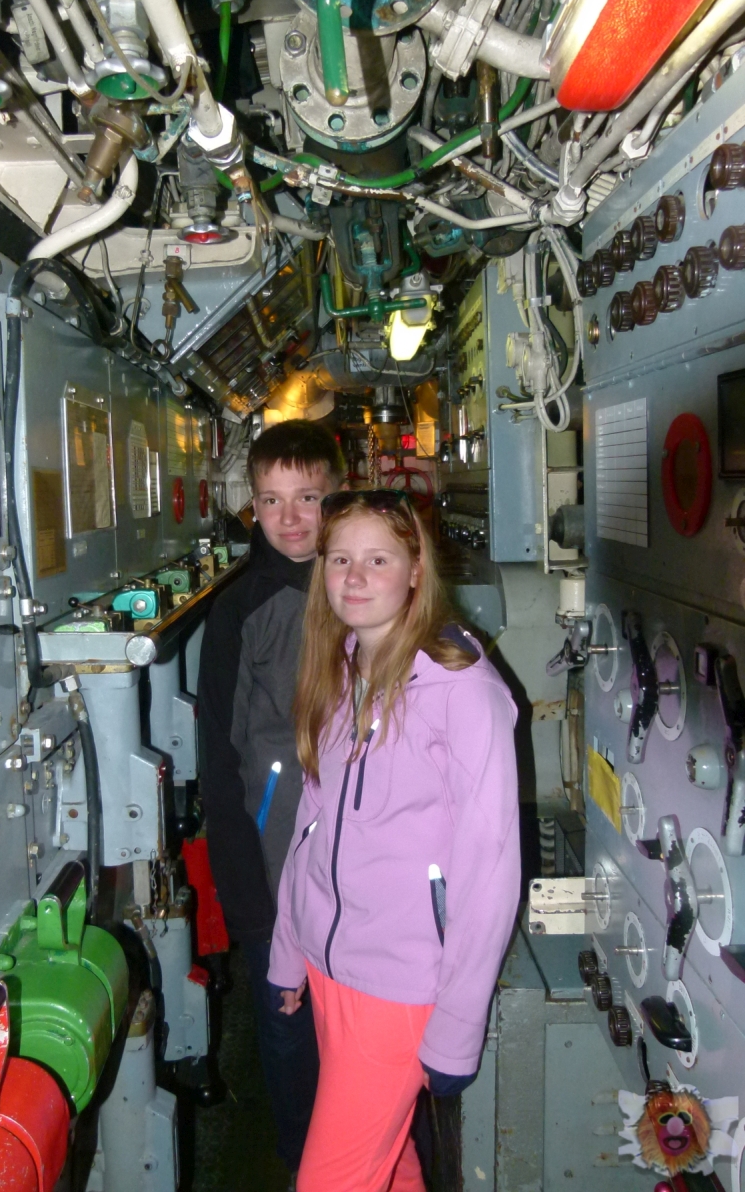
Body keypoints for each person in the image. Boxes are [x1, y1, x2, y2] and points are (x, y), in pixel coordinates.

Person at [269, 490, 521, 1192]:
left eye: (377, 560)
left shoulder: (461, 689)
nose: (353, 577)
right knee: (387, 1160)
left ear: (416, 571)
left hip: (402, 988)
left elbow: (491, 868)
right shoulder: (344, 664)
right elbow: (311, 824)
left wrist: (457, 1026)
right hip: (333, 970)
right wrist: (290, 950)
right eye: (339, 559)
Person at [197, 419, 346, 1180]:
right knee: (289, 1037)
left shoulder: (367, 588)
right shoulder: (240, 610)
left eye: (307, 498)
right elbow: (220, 764)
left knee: (359, 1035)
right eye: (270, 500)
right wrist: (248, 906)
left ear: (335, 497)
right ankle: (301, 1165)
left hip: (364, 873)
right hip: (277, 864)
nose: (289, 518)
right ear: (250, 505)